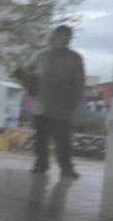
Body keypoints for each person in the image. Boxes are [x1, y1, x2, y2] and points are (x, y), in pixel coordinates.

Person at [19, 25, 85, 179]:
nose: (64, 39)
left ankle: (66, 168)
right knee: (41, 138)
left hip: (62, 106)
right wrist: (27, 81)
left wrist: (73, 104)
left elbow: (79, 84)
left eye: (67, 37)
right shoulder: (40, 55)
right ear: (54, 37)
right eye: (61, 36)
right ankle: (41, 164)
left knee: (62, 140)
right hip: (41, 105)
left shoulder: (75, 58)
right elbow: (26, 72)